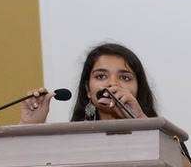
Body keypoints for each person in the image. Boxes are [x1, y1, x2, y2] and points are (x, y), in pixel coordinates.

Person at [20, 42, 158, 124]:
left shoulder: (164, 139)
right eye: (101, 76)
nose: (112, 84)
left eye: (125, 78)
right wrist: (30, 126)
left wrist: (140, 120)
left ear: (139, 88)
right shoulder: (69, 140)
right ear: (87, 89)